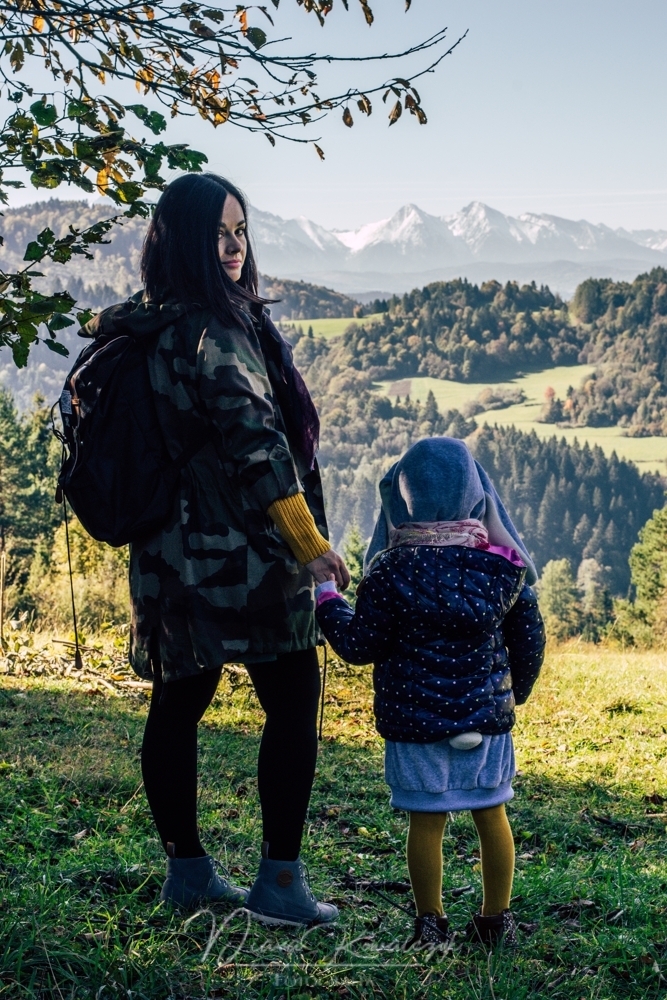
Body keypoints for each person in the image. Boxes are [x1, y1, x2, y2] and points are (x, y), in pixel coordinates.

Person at [83, 172, 349, 925]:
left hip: (168, 552)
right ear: (184, 239)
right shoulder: (216, 328)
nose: (233, 248)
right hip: (245, 552)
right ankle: (279, 884)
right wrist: (307, 544)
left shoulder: (147, 319)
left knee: (179, 701)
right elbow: (257, 444)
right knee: (293, 699)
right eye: (218, 234)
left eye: (241, 231)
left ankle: (189, 873)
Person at [314, 437, 545, 947]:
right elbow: (528, 640)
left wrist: (327, 598)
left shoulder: (391, 571)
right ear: (477, 496)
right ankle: (495, 922)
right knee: (493, 814)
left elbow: (358, 644)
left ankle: (430, 925)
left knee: (427, 822)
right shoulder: (503, 569)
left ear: (403, 496)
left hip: (415, 726)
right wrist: (515, 695)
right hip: (486, 721)